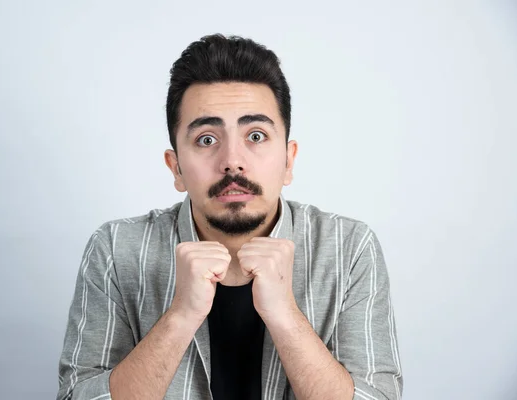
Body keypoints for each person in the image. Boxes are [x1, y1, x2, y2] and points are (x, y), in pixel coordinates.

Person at [56, 33, 403, 400]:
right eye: (207, 139)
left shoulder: (349, 248)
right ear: (175, 168)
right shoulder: (115, 250)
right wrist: (180, 317)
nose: (232, 160)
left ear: (289, 160)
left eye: (256, 135)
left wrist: (285, 316)